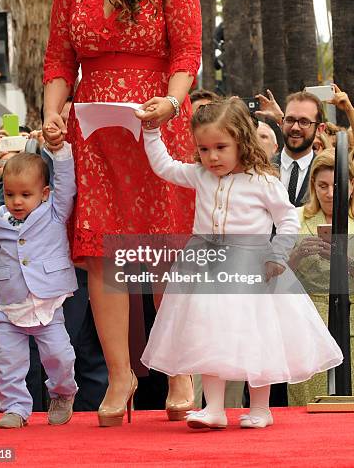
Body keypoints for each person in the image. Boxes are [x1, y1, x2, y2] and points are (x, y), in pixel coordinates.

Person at [42, 0, 201, 426]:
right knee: (104, 254)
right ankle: (119, 375)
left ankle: (179, 371)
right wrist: (52, 115)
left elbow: (186, 55)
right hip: (94, 132)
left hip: (157, 126)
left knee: (162, 252)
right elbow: (60, 62)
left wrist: (172, 103)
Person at [141, 99, 343, 430]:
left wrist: (277, 253)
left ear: (242, 142)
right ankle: (215, 408)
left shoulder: (261, 181)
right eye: (204, 149)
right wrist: (151, 131)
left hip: (254, 268)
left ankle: (261, 408)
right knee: (209, 333)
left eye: (221, 147)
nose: (213, 157)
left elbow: (288, 218)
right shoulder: (200, 176)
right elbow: (164, 166)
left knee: (256, 336)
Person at [0, 145, 78, 428]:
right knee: (7, 362)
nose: (16, 201)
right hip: (9, 303)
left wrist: (62, 152)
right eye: (9, 194)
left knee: (59, 356)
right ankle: (16, 407)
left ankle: (62, 392)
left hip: (46, 301)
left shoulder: (54, 212)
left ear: (44, 194)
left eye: (25, 195)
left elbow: (66, 185)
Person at [288, 149, 354, 405]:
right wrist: (296, 257)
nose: (329, 193)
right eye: (322, 186)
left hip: (349, 316)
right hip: (307, 316)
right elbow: (273, 276)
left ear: (351, 186)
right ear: (313, 185)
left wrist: (345, 263)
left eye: (336, 186)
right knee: (306, 398)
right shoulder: (294, 218)